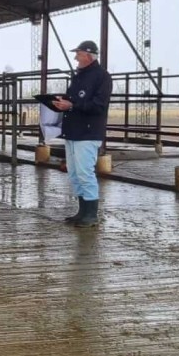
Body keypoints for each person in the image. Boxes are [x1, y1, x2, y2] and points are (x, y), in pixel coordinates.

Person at [52, 40, 112, 228]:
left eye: (78, 53)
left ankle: (91, 214)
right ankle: (82, 211)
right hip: (73, 130)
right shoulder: (79, 76)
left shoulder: (102, 77)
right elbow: (74, 100)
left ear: (88, 55)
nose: (76, 57)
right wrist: (62, 102)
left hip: (88, 131)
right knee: (75, 173)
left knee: (85, 172)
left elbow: (99, 105)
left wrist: (73, 105)